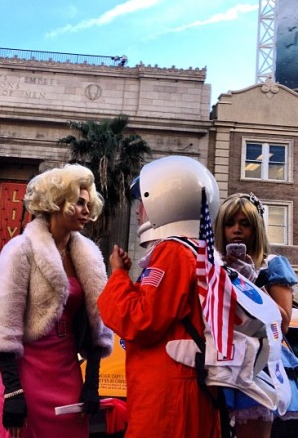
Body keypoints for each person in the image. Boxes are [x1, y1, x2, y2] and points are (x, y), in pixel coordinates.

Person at [0, 164, 113, 438]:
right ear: (56, 202)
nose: (86, 210)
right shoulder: (20, 250)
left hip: (67, 375)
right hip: (24, 376)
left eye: (89, 204)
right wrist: (13, 391)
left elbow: (98, 328)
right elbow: (2, 325)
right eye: (79, 202)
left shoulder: (89, 256)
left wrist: (92, 384)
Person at [97, 156, 222, 437]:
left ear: (165, 201)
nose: (139, 211)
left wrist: (118, 276)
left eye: (143, 201)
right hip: (185, 390)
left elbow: (140, 321)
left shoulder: (173, 252)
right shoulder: (198, 252)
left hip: (169, 398)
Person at [214, 193, 298, 438]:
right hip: (219, 357)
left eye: (244, 223)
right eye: (229, 223)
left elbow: (283, 323)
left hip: (260, 361)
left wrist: (249, 282)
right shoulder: (212, 264)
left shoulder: (271, 265)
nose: (236, 230)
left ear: (256, 228)